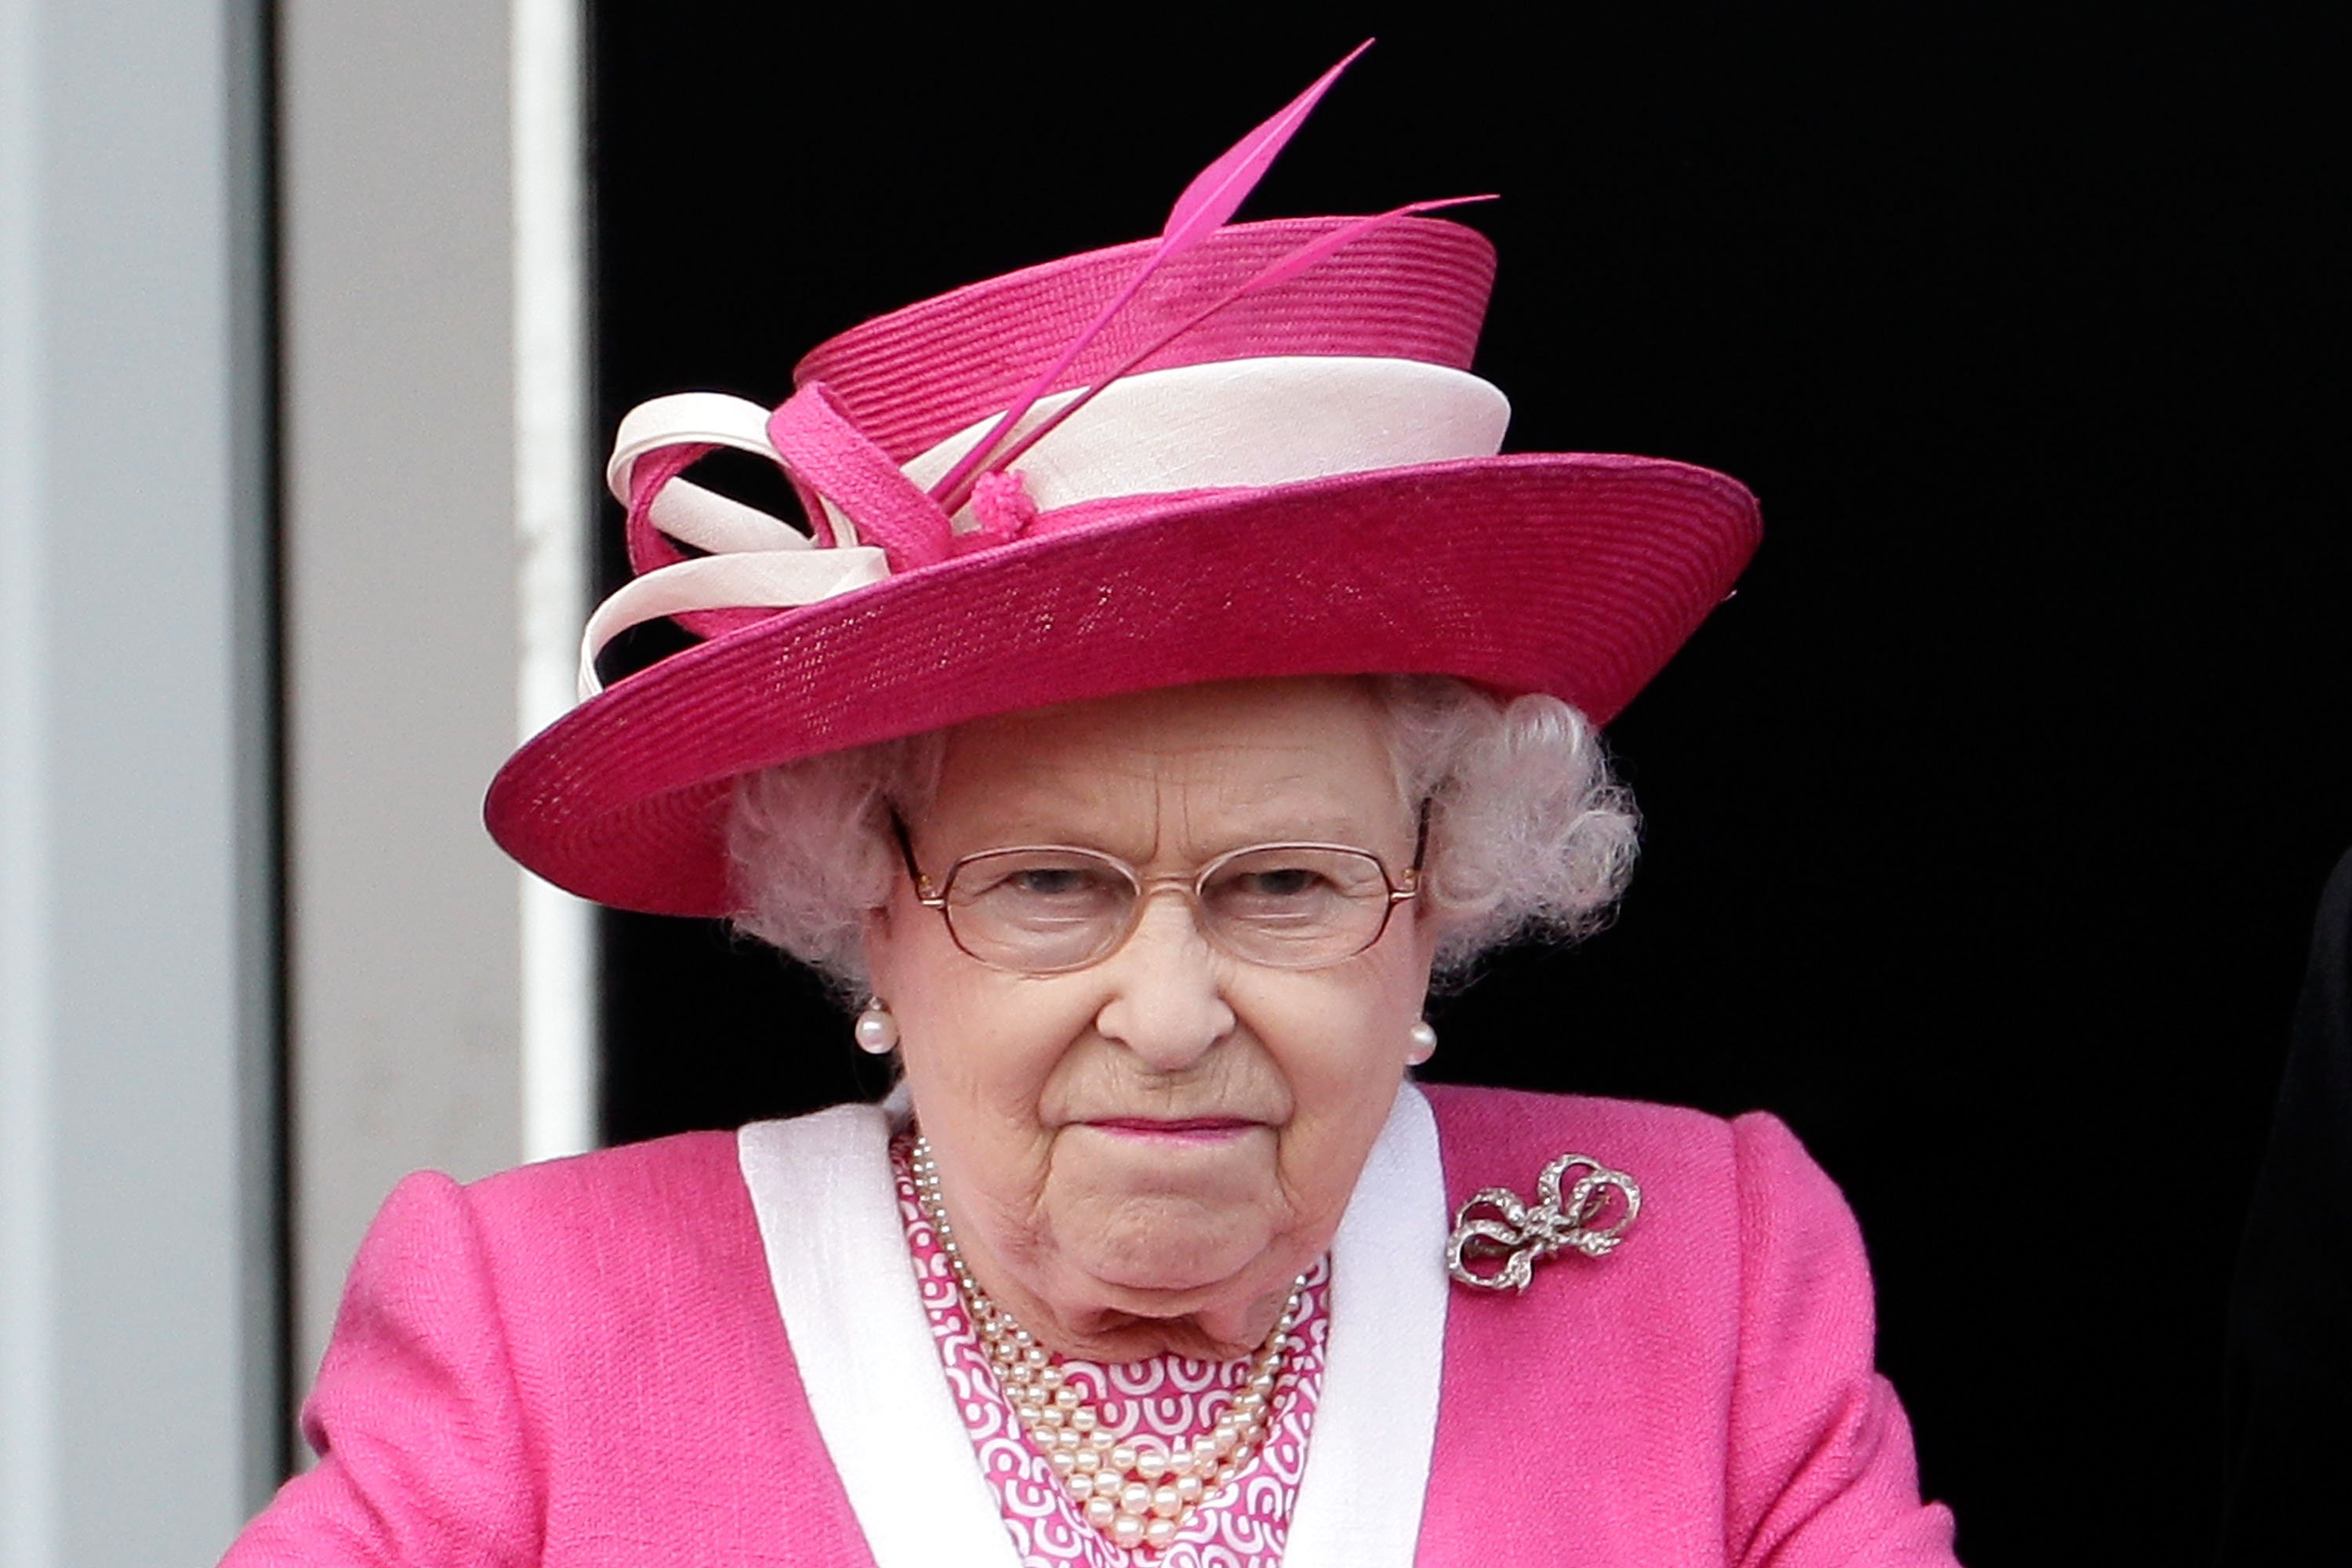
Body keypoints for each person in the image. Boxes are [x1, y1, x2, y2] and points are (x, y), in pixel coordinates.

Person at [223, 49, 1959, 1567]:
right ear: (869, 905)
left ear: (1440, 894)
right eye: (1049, 886)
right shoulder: (534, 1333)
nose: (1174, 1012)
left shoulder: (1713, 1280)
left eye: (1285, 884)